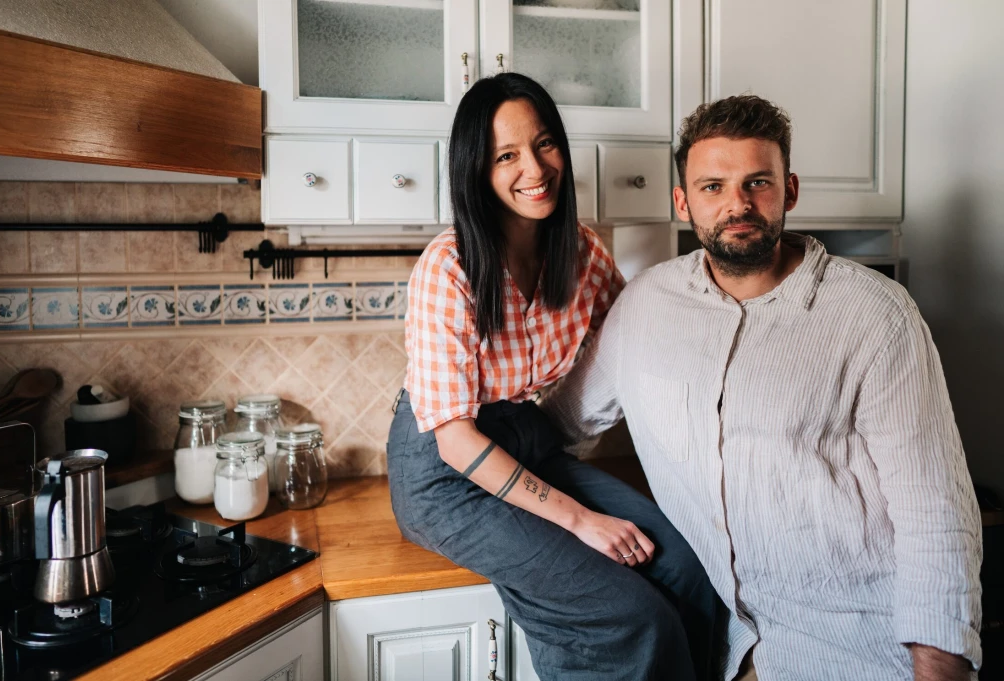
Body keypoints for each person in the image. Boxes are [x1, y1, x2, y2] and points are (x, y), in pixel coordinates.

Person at [543, 94, 983, 681]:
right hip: (736, 649)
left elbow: (936, 509)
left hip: (867, 648)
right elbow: (559, 426)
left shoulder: (876, 314)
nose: (737, 204)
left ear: (790, 190)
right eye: (712, 187)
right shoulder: (644, 307)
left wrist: (940, 666)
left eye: (757, 182)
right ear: (682, 202)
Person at [386, 73, 722, 681]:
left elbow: (641, 344)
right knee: (630, 614)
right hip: (445, 477)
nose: (534, 168)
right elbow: (455, 440)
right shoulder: (449, 266)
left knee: (689, 573)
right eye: (506, 155)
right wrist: (579, 518)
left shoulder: (584, 254)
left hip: (526, 443)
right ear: (477, 171)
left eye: (544, 144)